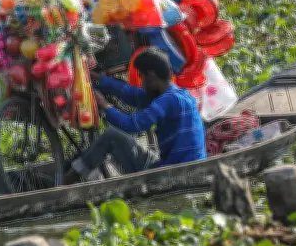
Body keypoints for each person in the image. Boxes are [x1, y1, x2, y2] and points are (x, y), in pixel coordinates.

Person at [65, 46, 207, 183]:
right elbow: (130, 94)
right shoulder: (178, 95)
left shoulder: (168, 100)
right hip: (184, 167)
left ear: (151, 76)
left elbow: (131, 125)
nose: (142, 83)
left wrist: (104, 105)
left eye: (141, 77)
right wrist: (98, 79)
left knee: (111, 136)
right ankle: (74, 174)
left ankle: (65, 184)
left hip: (174, 174)